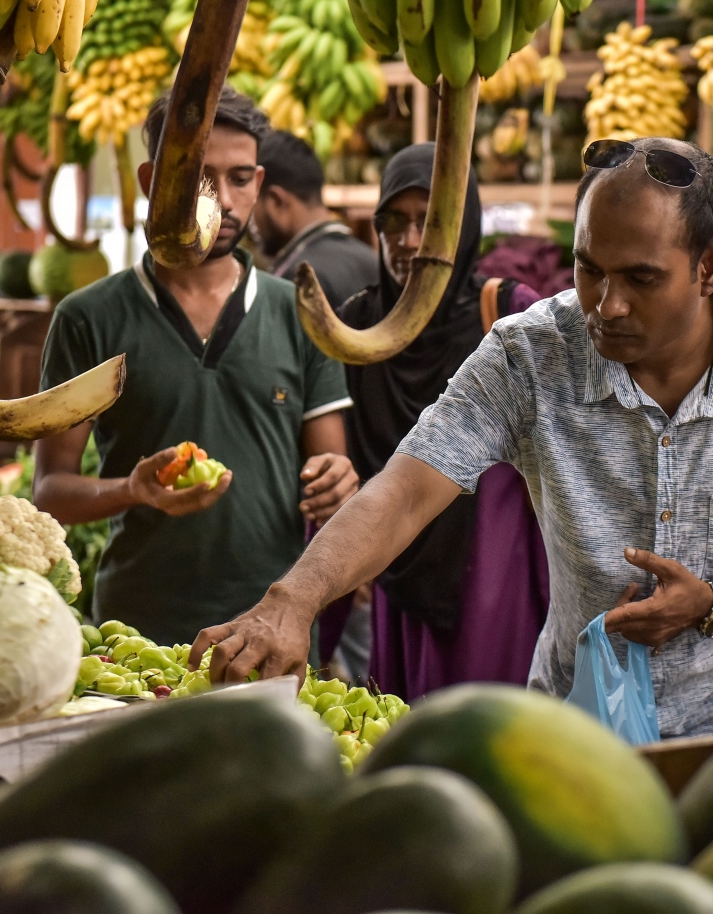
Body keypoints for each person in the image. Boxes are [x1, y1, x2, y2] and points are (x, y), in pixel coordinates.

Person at [192, 137, 713, 737]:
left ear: (710, 266)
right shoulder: (531, 352)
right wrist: (292, 600)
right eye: (590, 269)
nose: (607, 305)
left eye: (641, 278)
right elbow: (406, 490)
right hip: (575, 734)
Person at [33, 88, 360, 647]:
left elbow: (332, 466)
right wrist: (133, 490)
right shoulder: (89, 317)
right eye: (200, 177)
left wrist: (339, 484)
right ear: (149, 181)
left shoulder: (299, 313)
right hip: (135, 633)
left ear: (259, 184)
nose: (223, 200)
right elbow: (50, 491)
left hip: (270, 629)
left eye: (238, 179)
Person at [329, 143, 548, 701]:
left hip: (493, 568)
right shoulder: (356, 325)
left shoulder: (506, 313)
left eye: (427, 221)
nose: (406, 241)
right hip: (394, 566)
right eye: (392, 222)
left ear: (462, 223)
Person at [252, 130, 378, 308]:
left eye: (252, 207)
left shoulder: (295, 280)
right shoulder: (371, 260)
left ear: (275, 201)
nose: (250, 223)